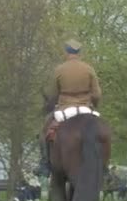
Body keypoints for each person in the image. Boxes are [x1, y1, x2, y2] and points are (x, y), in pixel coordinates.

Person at [35, 39, 102, 177]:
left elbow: (52, 94)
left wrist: (52, 103)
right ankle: (103, 166)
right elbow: (97, 94)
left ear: (66, 51)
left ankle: (45, 163)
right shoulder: (89, 69)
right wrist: (93, 104)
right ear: (79, 52)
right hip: (86, 108)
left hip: (64, 108)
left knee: (44, 133)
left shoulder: (59, 70)